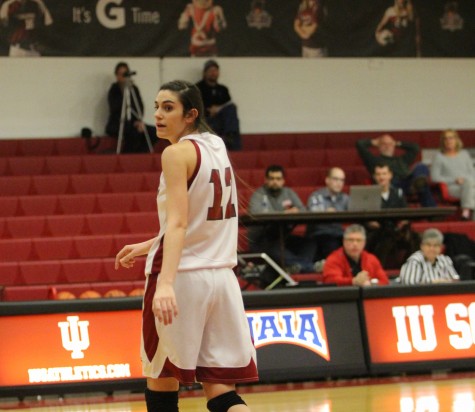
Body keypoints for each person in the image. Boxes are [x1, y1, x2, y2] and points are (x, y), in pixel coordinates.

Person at [115, 80, 257, 412]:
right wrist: (150, 243)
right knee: (221, 390)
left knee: (161, 379)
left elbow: (179, 224)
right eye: (156, 107)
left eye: (168, 108)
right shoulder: (216, 145)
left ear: (190, 114)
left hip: (182, 280)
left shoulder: (175, 153)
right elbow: (201, 222)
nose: (158, 116)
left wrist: (165, 283)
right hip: (222, 280)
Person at [247, 164, 316, 274]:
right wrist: (284, 213)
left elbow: (302, 210)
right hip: (263, 239)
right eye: (272, 178)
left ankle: (296, 266)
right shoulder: (259, 194)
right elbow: (256, 213)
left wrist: (296, 211)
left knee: (309, 244)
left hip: (283, 237)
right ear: (266, 180)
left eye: (278, 179)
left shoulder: (289, 193)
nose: (275, 182)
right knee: (276, 249)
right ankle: (309, 267)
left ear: (283, 180)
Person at [356, 134, 437, 207]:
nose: (387, 146)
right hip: (391, 185)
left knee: (421, 167)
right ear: (378, 146)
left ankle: (419, 185)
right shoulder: (373, 160)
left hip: (408, 182)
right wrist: (374, 142)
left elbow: (415, 148)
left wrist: (398, 143)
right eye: (384, 144)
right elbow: (360, 144)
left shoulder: (402, 160)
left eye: (390, 144)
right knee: (422, 187)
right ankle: (431, 211)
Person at [365, 163, 419, 269]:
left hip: (397, 230)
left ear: (390, 175)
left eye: (384, 174)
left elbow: (405, 214)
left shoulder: (398, 193)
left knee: (416, 237)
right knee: (386, 237)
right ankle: (379, 269)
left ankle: (409, 267)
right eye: (378, 174)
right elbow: (365, 217)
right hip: (377, 232)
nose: (381, 177)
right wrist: (369, 222)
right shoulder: (368, 194)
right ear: (374, 176)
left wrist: (403, 222)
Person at [105, 62, 159, 154]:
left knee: (154, 132)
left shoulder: (133, 89)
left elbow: (139, 107)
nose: (123, 77)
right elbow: (115, 108)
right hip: (119, 123)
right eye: (121, 74)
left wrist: (138, 121)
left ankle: (141, 153)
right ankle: (126, 156)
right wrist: (124, 94)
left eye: (125, 73)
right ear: (117, 75)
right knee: (134, 133)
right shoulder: (114, 89)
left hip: (134, 122)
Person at [306, 167, 348, 268]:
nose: (339, 183)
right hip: (321, 234)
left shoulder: (346, 198)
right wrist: (325, 213)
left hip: (340, 234)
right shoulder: (316, 196)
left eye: (342, 180)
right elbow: (314, 215)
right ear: (327, 180)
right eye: (335, 179)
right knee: (331, 241)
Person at [323, 224, 389, 286]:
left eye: (359, 240)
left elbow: (384, 281)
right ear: (344, 241)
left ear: (364, 242)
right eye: (350, 240)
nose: (355, 244)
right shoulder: (334, 259)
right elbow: (330, 281)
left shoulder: (371, 259)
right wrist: (353, 281)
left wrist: (370, 283)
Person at [196, 60, 241, 151]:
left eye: (215, 70)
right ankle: (228, 136)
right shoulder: (197, 88)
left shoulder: (223, 89)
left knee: (232, 109)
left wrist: (218, 109)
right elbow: (194, 106)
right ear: (205, 73)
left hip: (221, 119)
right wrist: (208, 111)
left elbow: (228, 105)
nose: (213, 73)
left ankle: (230, 137)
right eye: (211, 71)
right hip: (206, 119)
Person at [431, 129, 475, 220]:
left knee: (470, 185)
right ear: (442, 142)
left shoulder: (464, 154)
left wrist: (465, 180)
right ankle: (467, 212)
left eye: (451, 138)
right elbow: (434, 177)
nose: (448, 141)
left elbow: (472, 173)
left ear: (456, 140)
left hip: (468, 185)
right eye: (445, 139)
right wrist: (455, 180)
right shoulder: (439, 157)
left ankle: (466, 212)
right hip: (452, 187)